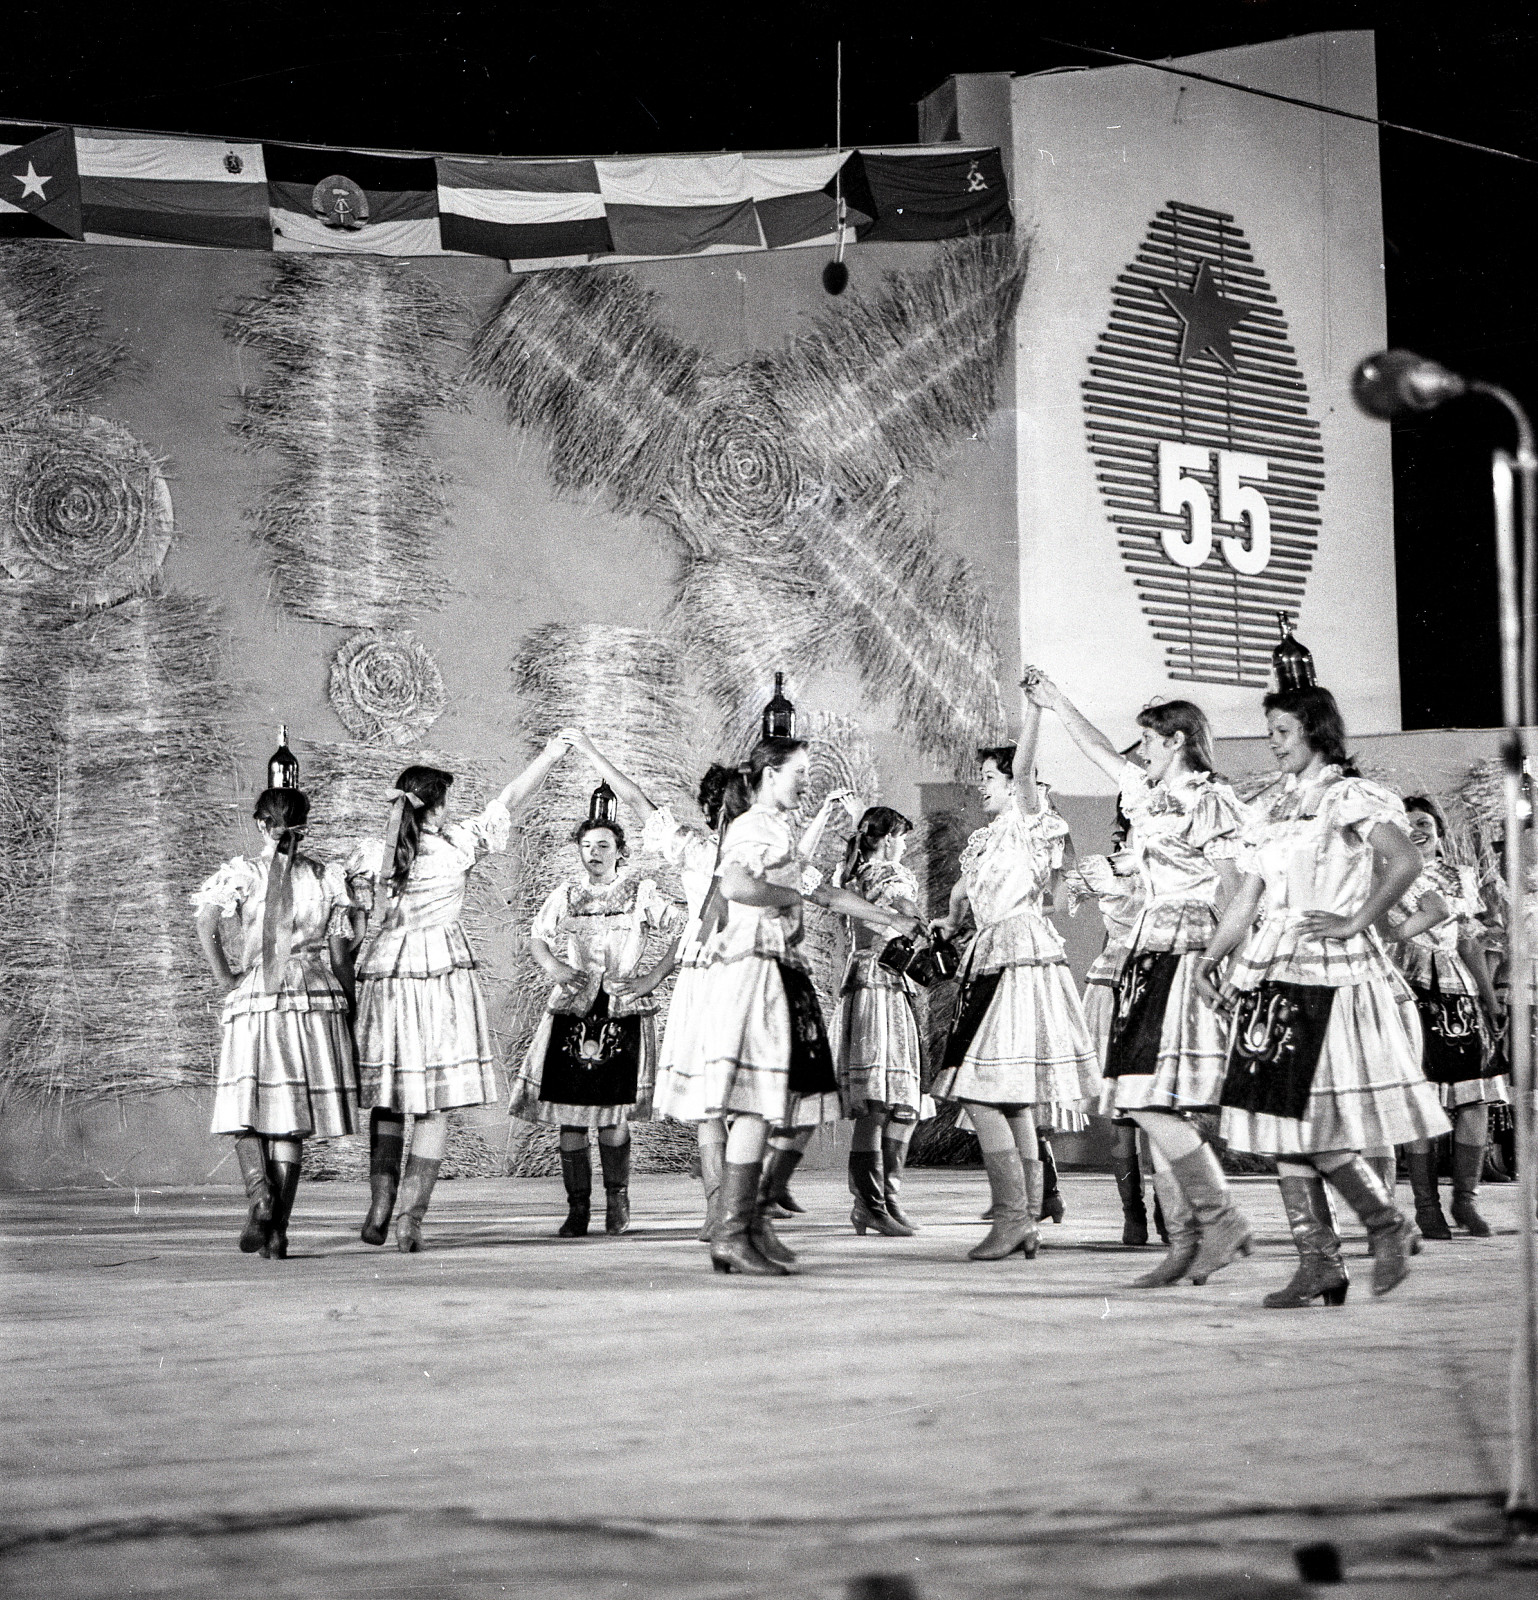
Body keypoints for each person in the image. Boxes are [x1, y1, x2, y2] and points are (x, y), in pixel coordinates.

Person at [1196, 686, 1451, 1306]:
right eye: (1271, 732)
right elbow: (1248, 899)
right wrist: (1211, 958)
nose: (1273, 743)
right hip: (1270, 971)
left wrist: (1355, 920)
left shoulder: (1349, 796)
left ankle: (1386, 1222)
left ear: (1315, 731)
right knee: (1280, 1122)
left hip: (1326, 973)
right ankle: (1319, 1262)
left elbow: (1405, 863)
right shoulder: (1271, 808)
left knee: (1309, 1119)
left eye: (1282, 731)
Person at [1028, 675, 1252, 1286]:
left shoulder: (1210, 799)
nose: (1140, 751)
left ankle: (1217, 1220)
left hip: (1189, 945)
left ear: (1177, 741)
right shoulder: (1147, 794)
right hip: (1148, 951)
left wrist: (1230, 962)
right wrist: (1058, 702)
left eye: (1149, 740)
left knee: (1153, 1097)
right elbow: (1098, 750)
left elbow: (1236, 889)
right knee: (1144, 1097)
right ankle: (1186, 1240)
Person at [695, 737, 918, 1275]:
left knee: (794, 1104)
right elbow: (736, 884)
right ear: (770, 774)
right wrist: (790, 895)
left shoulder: (778, 830)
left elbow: (826, 894)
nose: (806, 780)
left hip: (781, 969)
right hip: (757, 970)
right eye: (798, 771)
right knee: (763, 1103)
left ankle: (749, 1223)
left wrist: (890, 919)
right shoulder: (753, 826)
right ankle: (735, 1230)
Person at [346, 737, 571, 1251]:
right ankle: (409, 1218)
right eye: (445, 802)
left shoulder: (372, 856)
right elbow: (508, 800)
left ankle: (380, 1205)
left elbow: (349, 922)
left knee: (389, 1098)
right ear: (436, 807)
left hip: (389, 975)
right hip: (443, 976)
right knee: (435, 1106)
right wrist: (549, 756)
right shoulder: (456, 847)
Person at [930, 687, 1100, 1262]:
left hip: (1018, 956)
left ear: (1011, 783)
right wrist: (946, 924)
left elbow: (1026, 768)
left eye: (989, 777)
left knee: (982, 1091)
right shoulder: (985, 840)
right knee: (1011, 1099)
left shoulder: (1030, 820)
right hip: (989, 954)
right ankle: (1025, 1218)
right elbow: (968, 901)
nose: (981, 785)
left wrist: (1035, 710)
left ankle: (1013, 1217)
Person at [559, 733, 741, 1241]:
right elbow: (638, 800)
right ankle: (718, 1208)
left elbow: (821, 891)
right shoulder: (694, 849)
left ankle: (742, 1199)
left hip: (755, 978)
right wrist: (591, 752)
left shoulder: (767, 853)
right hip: (709, 980)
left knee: (754, 1100)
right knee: (709, 1103)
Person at [193, 787, 357, 1260]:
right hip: (313, 997)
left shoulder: (244, 873)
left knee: (244, 1101)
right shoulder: (326, 878)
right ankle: (278, 1232)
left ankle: (259, 1194)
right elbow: (341, 955)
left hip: (260, 994)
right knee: (289, 1120)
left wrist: (227, 977)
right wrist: (348, 1004)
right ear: (304, 824)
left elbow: (205, 925)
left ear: (262, 825)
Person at [507, 815, 684, 1237]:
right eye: (587, 846)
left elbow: (685, 929)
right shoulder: (567, 894)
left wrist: (650, 978)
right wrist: (556, 968)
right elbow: (537, 937)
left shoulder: (640, 893)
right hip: (574, 1012)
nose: (594, 853)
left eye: (604, 845)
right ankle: (578, 1208)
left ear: (620, 851)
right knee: (570, 1116)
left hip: (620, 1011)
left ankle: (617, 1200)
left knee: (611, 1114)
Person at [1386, 795, 1506, 1238]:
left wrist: (1490, 1000)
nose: (1415, 830)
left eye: (1423, 823)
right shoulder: (1386, 873)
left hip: (1458, 991)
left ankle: (1465, 1201)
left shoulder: (1461, 875)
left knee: (1475, 1097)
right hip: (1407, 988)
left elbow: (1468, 942)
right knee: (1421, 1099)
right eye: (1406, 824)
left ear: (1438, 831)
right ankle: (1426, 1207)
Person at [832, 805, 936, 1237]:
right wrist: (923, 923)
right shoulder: (890, 873)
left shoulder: (852, 874)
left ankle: (878, 1201)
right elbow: (906, 910)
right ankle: (875, 1202)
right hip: (884, 984)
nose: (904, 846)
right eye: (902, 838)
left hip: (865, 981)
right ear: (889, 838)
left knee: (882, 1102)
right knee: (889, 1101)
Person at [1064, 801, 1163, 1247]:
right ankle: (1139, 1213)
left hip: (1139, 978)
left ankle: (1154, 1211)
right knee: (1133, 1109)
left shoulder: (1139, 870)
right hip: (1128, 980)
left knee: (1147, 1108)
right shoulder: (1128, 871)